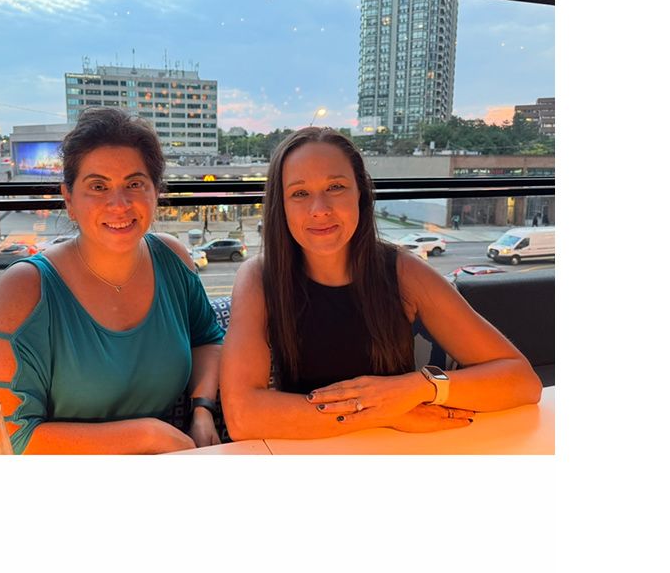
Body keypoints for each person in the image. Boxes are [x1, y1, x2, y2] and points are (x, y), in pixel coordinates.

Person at [221, 127, 541, 439]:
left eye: (336, 187)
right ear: (282, 205)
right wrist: (385, 414)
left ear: (360, 193)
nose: (320, 210)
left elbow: (521, 380)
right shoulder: (258, 279)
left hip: (399, 449)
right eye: (300, 193)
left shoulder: (402, 270)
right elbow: (242, 416)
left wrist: (419, 387)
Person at [0, 108, 225, 453]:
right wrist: (146, 435)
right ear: (69, 199)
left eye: (135, 183)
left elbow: (207, 338)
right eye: (98, 186)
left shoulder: (173, 258)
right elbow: (5, 438)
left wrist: (201, 409)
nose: (119, 203)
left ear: (155, 192)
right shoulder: (25, 287)